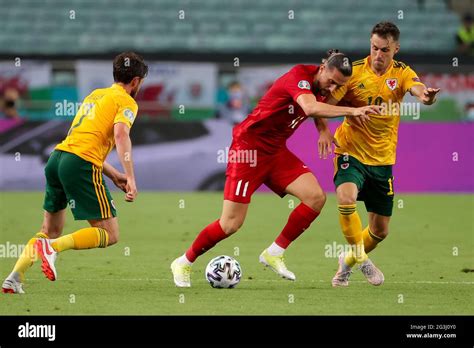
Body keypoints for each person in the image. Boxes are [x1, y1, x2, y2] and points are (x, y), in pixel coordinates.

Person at [170, 50, 383, 287]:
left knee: (315, 198)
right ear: (322, 68)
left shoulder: (323, 86)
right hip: (248, 150)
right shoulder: (299, 76)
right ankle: (183, 262)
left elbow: (319, 107)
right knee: (230, 224)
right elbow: (311, 107)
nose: (333, 89)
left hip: (275, 151)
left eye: (339, 86)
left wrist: (323, 129)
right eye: (331, 82)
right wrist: (353, 111)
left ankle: (274, 252)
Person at [2, 52, 148, 294]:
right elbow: (121, 135)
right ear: (135, 81)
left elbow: (79, 140)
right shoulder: (127, 102)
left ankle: (14, 278)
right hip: (80, 164)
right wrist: (130, 175)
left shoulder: (95, 95)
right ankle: (53, 249)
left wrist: (112, 174)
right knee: (109, 233)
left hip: (58, 159)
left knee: (49, 230)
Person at [320, 22, 440, 287]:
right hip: (350, 149)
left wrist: (427, 98)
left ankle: (348, 261)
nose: (378, 55)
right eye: (374, 47)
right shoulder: (352, 73)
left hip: (383, 159)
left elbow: (418, 90)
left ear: (395, 49)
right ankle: (362, 260)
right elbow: (322, 106)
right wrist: (324, 131)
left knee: (379, 231)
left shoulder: (403, 73)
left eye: (384, 50)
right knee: (345, 196)